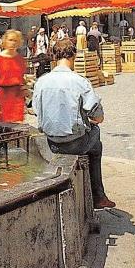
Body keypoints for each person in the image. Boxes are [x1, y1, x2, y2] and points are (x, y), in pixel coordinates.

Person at [32, 40, 115, 210]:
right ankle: (98, 196)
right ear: (74, 56)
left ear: (54, 57)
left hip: (51, 142)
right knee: (96, 141)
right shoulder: (79, 81)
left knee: (90, 137)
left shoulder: (41, 82)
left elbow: (36, 112)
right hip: (74, 143)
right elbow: (97, 116)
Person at [0, 30, 27, 123]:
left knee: (17, 127)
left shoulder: (20, 59)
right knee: (3, 127)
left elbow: (22, 78)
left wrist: (26, 89)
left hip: (17, 97)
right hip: (3, 96)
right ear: (5, 41)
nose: (13, 43)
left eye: (15, 40)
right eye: (10, 40)